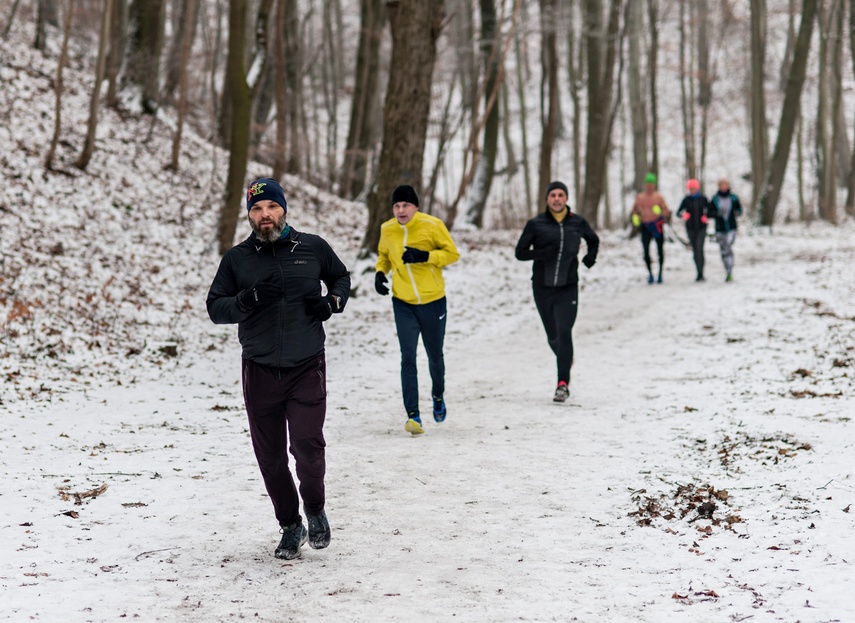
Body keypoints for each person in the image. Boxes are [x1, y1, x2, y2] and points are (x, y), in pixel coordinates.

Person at [206, 177, 350, 560]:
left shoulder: (313, 248)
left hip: (306, 366)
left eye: (271, 206)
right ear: (249, 215)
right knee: (270, 458)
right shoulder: (237, 259)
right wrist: (247, 299)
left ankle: (315, 510)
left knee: (307, 446)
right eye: (256, 209)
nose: (265, 214)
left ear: (283, 209)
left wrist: (332, 302)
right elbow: (215, 308)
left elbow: (341, 277)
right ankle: (290, 525)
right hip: (260, 370)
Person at [374, 185, 460, 436]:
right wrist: (380, 272)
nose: (401, 210)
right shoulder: (387, 229)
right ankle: (413, 415)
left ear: (416, 207)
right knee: (408, 357)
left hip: (433, 302)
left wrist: (426, 256)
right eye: (396, 205)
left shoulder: (432, 225)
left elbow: (452, 254)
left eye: (406, 205)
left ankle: (437, 395)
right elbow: (384, 256)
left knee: (435, 356)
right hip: (403, 303)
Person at [515, 181, 599, 403]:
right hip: (542, 288)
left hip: (567, 287)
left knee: (564, 331)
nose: (557, 199)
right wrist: (542, 253)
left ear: (566, 198)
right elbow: (520, 253)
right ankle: (565, 357)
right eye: (553, 195)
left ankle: (562, 383)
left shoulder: (577, 222)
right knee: (553, 335)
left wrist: (590, 257)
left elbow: (593, 240)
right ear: (547, 199)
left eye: (561, 195)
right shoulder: (536, 224)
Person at [630, 172, 671, 284]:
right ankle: (650, 274)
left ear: (654, 185)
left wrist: (660, 211)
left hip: (657, 226)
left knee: (660, 251)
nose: (649, 186)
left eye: (651, 184)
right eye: (647, 184)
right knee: (646, 251)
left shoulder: (658, 197)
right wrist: (635, 218)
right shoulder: (640, 197)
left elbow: (667, 212)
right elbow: (634, 211)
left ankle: (660, 273)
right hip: (645, 226)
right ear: (645, 185)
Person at [676, 178, 711, 282]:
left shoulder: (703, 199)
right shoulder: (686, 200)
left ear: (697, 188)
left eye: (694, 188)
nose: (692, 190)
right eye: (691, 188)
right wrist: (684, 215)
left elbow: (710, 210)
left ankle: (701, 273)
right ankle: (698, 272)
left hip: (701, 228)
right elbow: (678, 213)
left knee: (699, 248)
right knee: (695, 250)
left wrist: (706, 216)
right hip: (690, 228)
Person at [709, 177, 743, 282]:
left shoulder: (733, 198)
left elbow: (740, 210)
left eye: (725, 185)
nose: (723, 187)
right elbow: (709, 213)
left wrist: (737, 212)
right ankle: (727, 268)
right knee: (723, 250)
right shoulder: (715, 198)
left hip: (731, 228)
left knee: (728, 247)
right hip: (720, 229)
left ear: (728, 186)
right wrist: (716, 213)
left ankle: (729, 270)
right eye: (721, 185)